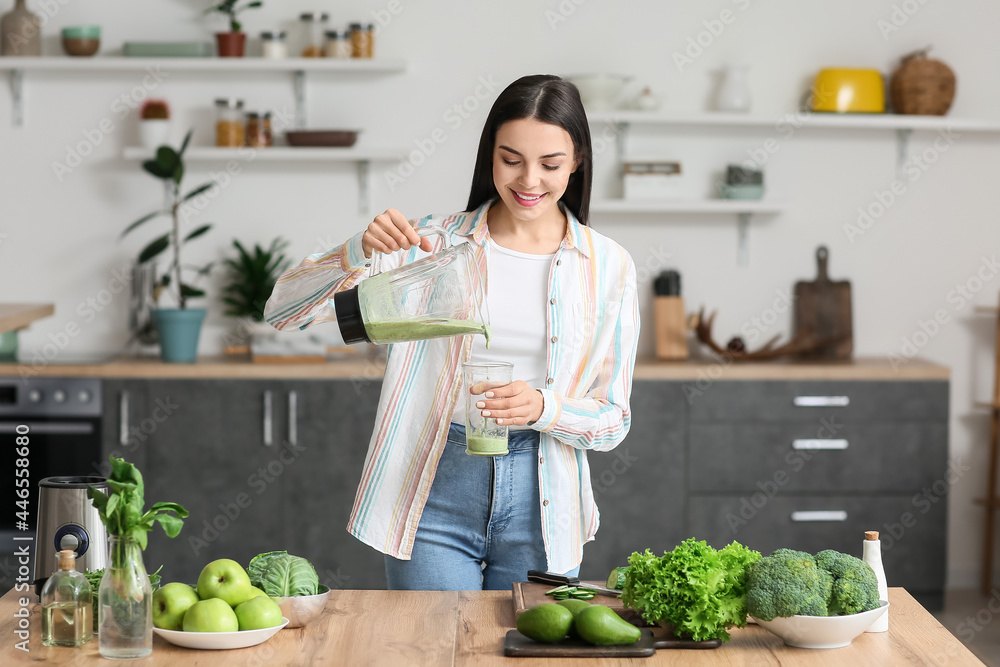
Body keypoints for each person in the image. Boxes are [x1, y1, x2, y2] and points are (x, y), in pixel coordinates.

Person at [264, 74, 639, 591]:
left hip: (546, 501)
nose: (529, 181)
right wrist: (356, 252)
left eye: (550, 164)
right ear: (490, 156)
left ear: (576, 163)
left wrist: (542, 407)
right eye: (512, 159)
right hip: (433, 489)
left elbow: (614, 419)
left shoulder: (608, 266)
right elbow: (285, 312)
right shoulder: (430, 245)